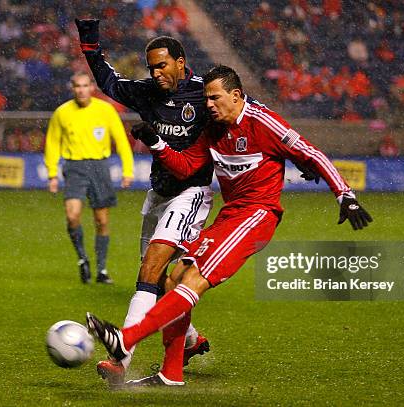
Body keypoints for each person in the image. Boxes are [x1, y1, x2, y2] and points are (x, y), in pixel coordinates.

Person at [86, 65, 372, 387]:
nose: (208, 104)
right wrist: (156, 143)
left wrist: (345, 196)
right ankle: (171, 373)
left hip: (257, 215)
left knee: (192, 279)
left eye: (214, 97)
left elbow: (311, 153)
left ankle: (126, 339)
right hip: (231, 215)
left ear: (236, 96)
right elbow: (187, 167)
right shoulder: (213, 129)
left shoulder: (263, 122)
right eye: (206, 98)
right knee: (174, 277)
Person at [75, 18, 218, 385]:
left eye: (162, 65)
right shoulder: (145, 92)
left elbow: (242, 113)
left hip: (192, 194)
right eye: (151, 66)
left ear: (181, 62)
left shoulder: (204, 96)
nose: (155, 73)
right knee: (154, 281)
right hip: (158, 193)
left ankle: (120, 358)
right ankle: (188, 340)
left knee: (151, 269)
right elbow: (107, 80)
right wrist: (89, 41)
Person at [44, 71, 134, 285]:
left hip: (99, 167)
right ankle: (82, 259)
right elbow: (52, 143)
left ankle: (102, 269)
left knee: (101, 221)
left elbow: (121, 140)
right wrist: (52, 174)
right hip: (74, 167)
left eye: (85, 86)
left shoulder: (105, 110)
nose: (81, 90)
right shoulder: (62, 113)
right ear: (72, 88)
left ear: (92, 88)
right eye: (77, 86)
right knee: (73, 215)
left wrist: (127, 170)